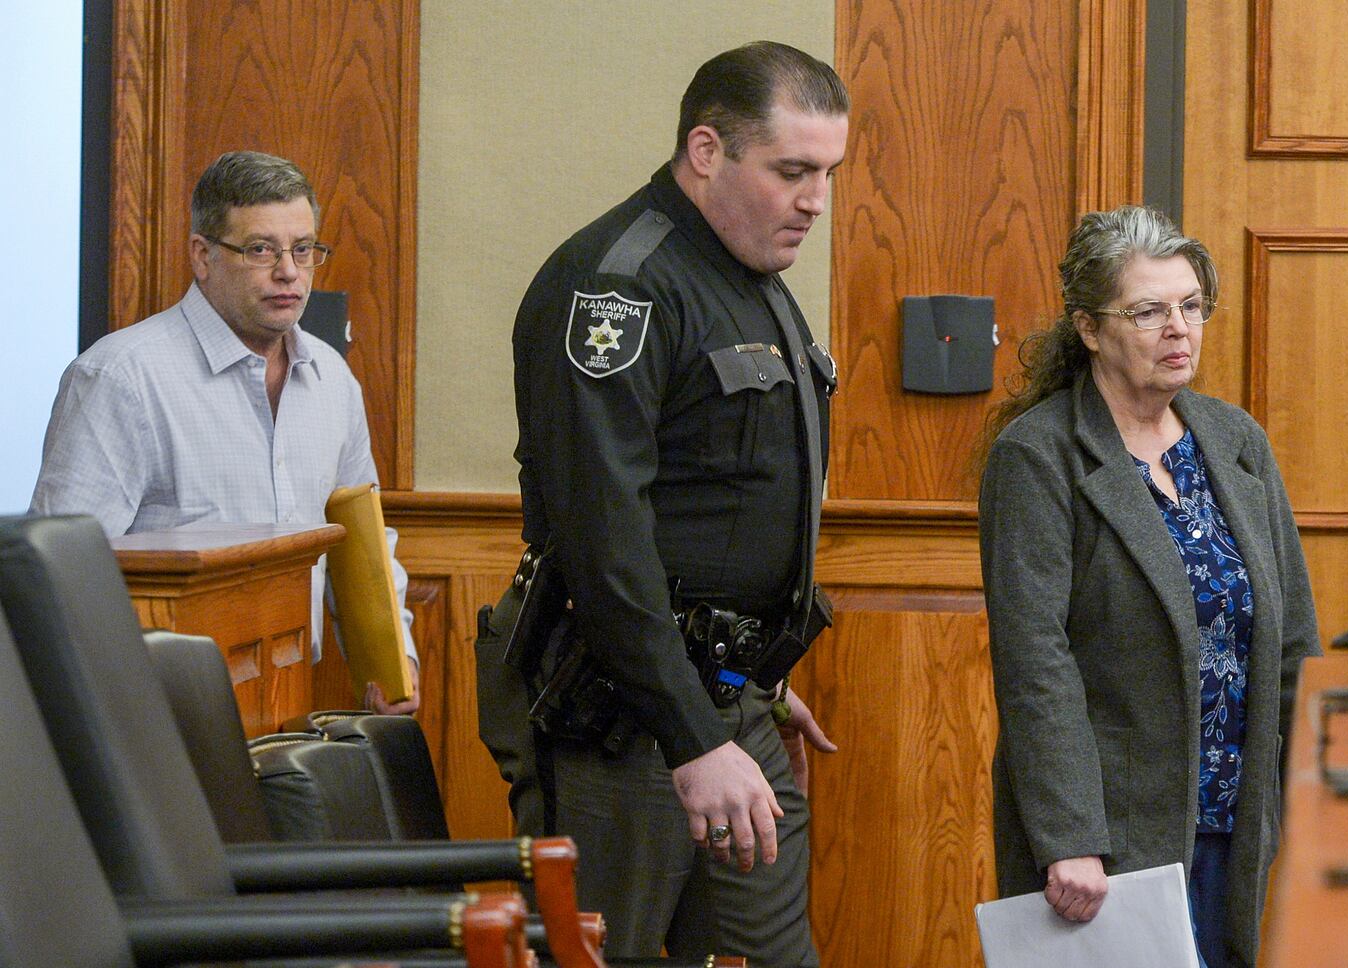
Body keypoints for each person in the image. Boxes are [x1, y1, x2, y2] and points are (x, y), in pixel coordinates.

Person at [474, 41, 847, 964]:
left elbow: (725, 500)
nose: (816, 200)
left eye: (828, 173)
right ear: (708, 150)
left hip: (727, 696)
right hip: (625, 716)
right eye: (793, 171)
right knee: (612, 952)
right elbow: (604, 540)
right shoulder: (619, 286)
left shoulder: (748, 275)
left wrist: (751, 679)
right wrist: (691, 732)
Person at [977, 206, 1320, 967]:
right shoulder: (1038, 457)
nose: (1179, 328)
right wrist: (1069, 840)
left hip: (1237, 826)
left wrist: (1322, 807)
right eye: (1149, 310)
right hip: (1111, 841)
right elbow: (1037, 665)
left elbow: (1292, 639)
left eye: (1191, 306)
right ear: (1090, 328)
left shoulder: (1236, 442)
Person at [32, 150, 418, 715]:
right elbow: (61, 578)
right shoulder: (121, 378)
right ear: (203, 256)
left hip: (284, 698)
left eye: (303, 250)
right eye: (261, 249)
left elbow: (362, 541)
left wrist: (394, 661)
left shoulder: (332, 377)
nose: (288, 271)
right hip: (157, 711)